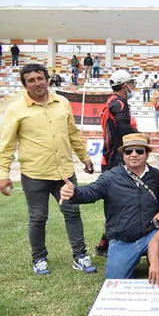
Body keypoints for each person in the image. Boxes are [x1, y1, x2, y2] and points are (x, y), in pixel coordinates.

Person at [0, 64, 95, 275]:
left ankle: (80, 256)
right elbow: (6, 145)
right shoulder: (15, 109)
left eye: (40, 78)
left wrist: (85, 158)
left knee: (72, 212)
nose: (37, 83)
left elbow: (72, 135)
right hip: (35, 174)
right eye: (31, 80)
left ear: (47, 79)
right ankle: (39, 258)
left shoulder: (62, 103)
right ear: (24, 84)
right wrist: (3, 174)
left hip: (64, 173)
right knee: (38, 217)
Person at [60, 133, 159, 278]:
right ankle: (129, 260)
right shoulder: (110, 177)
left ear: (147, 154)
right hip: (123, 240)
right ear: (123, 155)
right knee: (115, 280)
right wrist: (74, 192)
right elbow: (91, 191)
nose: (134, 155)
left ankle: (158, 265)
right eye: (128, 151)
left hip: (151, 235)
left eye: (139, 151)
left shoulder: (155, 175)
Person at [97, 69, 139, 256]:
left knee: (117, 202)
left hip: (110, 158)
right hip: (115, 159)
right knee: (120, 203)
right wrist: (139, 136)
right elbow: (124, 130)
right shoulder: (120, 104)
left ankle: (104, 243)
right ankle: (109, 243)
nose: (133, 87)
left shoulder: (112, 102)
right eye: (131, 83)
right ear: (124, 86)